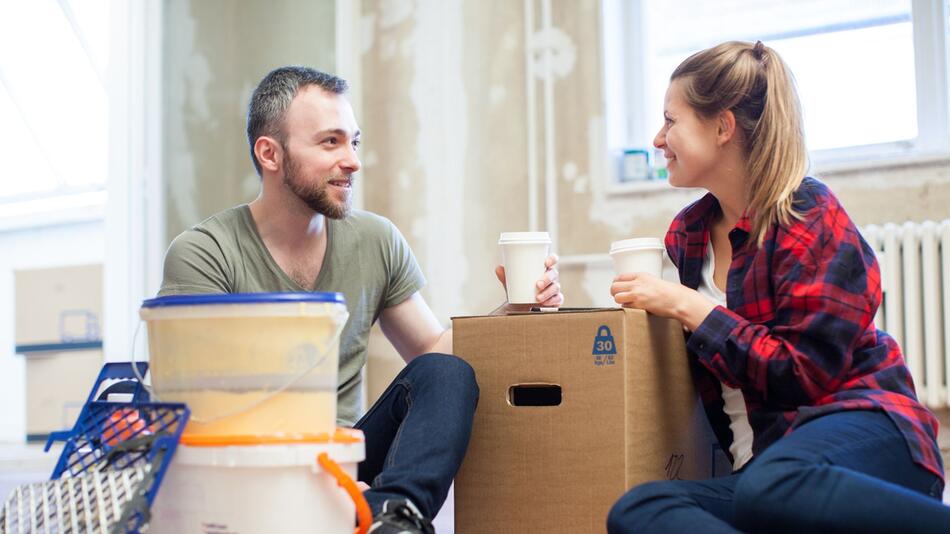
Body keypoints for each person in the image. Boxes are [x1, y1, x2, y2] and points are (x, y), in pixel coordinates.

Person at [158, 65, 564, 534]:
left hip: (347, 457)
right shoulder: (204, 252)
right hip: (249, 470)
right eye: (330, 142)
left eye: (354, 141)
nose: (351, 160)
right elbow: (198, 410)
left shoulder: (375, 239)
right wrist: (314, 480)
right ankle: (362, 508)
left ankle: (395, 517)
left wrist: (513, 313)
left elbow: (432, 349)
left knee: (446, 373)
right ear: (270, 154)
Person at [606, 41, 950, 533]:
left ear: (723, 127)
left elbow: (803, 375)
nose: (659, 139)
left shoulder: (808, 215)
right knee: (638, 509)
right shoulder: (689, 236)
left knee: (773, 486)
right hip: (762, 475)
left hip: (864, 435)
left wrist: (690, 307)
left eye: (671, 120)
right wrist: (540, 303)